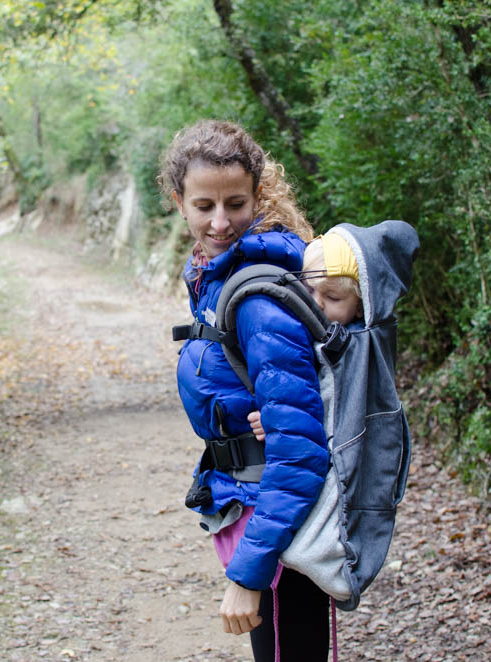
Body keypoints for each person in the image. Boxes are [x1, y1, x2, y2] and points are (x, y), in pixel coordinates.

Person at [160, 119, 331, 661]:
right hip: (257, 508)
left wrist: (250, 573)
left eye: (236, 203)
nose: (220, 221)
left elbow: (300, 454)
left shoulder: (257, 298)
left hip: (280, 522)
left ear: (258, 195)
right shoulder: (217, 276)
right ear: (178, 201)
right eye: (204, 205)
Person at [247, 232, 364, 440]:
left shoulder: (353, 350)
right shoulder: (302, 331)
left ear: (360, 307)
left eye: (332, 297)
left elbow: (335, 415)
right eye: (309, 290)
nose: (316, 303)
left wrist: (277, 421)